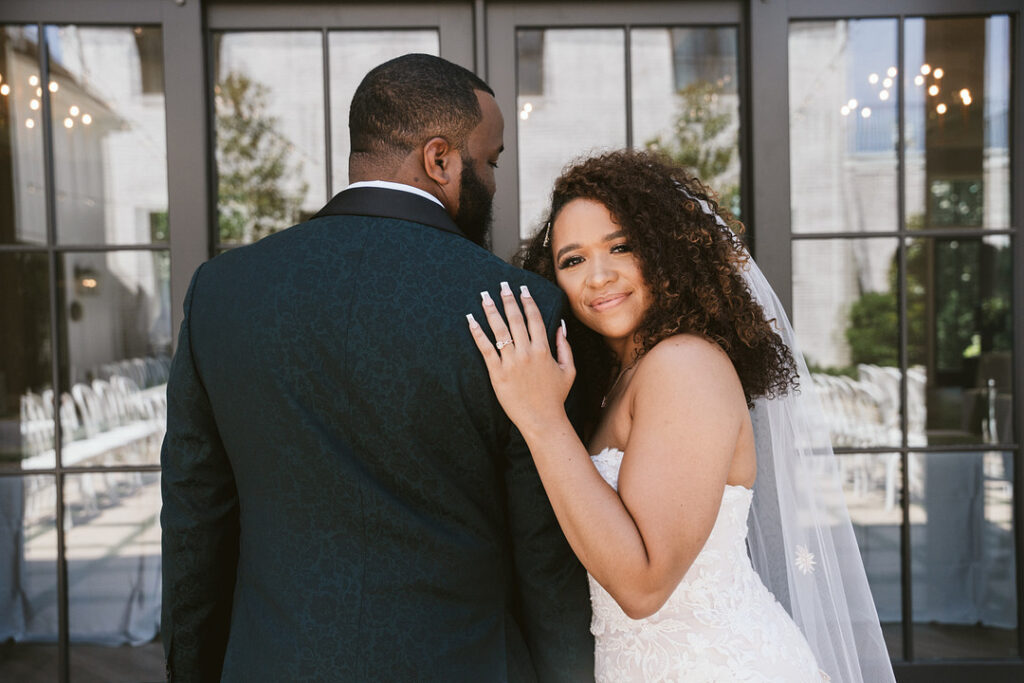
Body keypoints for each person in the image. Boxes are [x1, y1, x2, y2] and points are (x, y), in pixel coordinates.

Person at [160, 53, 594, 682]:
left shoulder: (222, 292)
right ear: (440, 159)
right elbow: (546, 554)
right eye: (491, 161)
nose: (494, 183)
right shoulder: (520, 308)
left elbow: (196, 518)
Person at [467, 149, 896, 682]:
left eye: (620, 247)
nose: (598, 277)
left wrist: (540, 417)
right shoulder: (621, 380)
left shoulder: (685, 364)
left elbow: (644, 584)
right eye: (572, 260)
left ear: (668, 251)